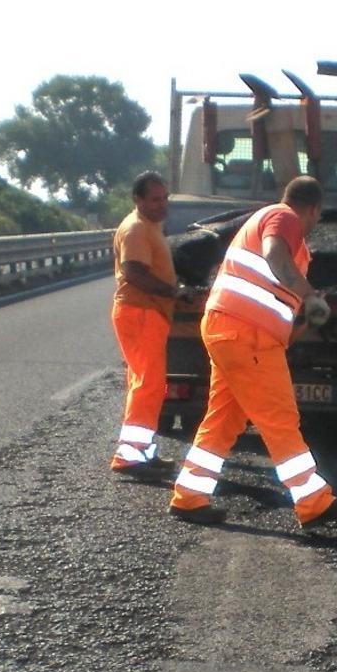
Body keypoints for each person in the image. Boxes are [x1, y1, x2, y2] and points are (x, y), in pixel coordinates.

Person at [169, 175, 337, 528]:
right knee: (280, 420)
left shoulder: (277, 233)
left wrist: (309, 317)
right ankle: (314, 503)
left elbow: (274, 303)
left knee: (224, 419)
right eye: (317, 217)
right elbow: (275, 254)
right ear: (313, 209)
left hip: (230, 330)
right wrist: (311, 296)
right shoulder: (284, 217)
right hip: (246, 336)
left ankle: (189, 496)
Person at [109, 171, 197, 480]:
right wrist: (175, 292)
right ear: (138, 199)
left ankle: (139, 450)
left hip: (145, 313)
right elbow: (134, 273)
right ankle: (131, 456)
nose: (163, 205)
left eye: (165, 198)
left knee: (145, 383)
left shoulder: (148, 226)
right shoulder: (135, 229)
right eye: (155, 199)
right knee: (148, 384)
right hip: (140, 312)